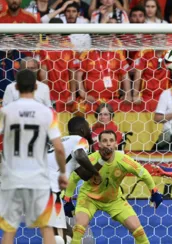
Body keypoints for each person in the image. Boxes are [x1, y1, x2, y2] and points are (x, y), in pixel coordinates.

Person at [0, 69, 68, 244]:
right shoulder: (47, 113)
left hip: (11, 179)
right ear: (36, 87)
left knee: (9, 231)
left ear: (15, 87)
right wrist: (62, 173)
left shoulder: (5, 111)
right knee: (46, 227)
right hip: (38, 179)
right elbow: (59, 149)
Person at [64, 130, 163, 244]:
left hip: (113, 200)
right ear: (99, 144)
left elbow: (143, 173)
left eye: (111, 140)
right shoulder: (91, 159)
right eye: (104, 141)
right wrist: (68, 199)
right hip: (89, 198)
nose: (108, 143)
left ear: (116, 144)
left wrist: (154, 191)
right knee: (79, 229)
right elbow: (73, 178)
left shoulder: (123, 160)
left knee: (139, 232)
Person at [47, 116, 101, 244]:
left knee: (67, 233)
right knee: (58, 236)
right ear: (83, 129)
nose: (90, 130)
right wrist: (96, 173)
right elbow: (80, 155)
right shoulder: (80, 140)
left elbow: (84, 175)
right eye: (88, 128)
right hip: (49, 188)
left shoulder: (63, 142)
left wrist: (101, 162)